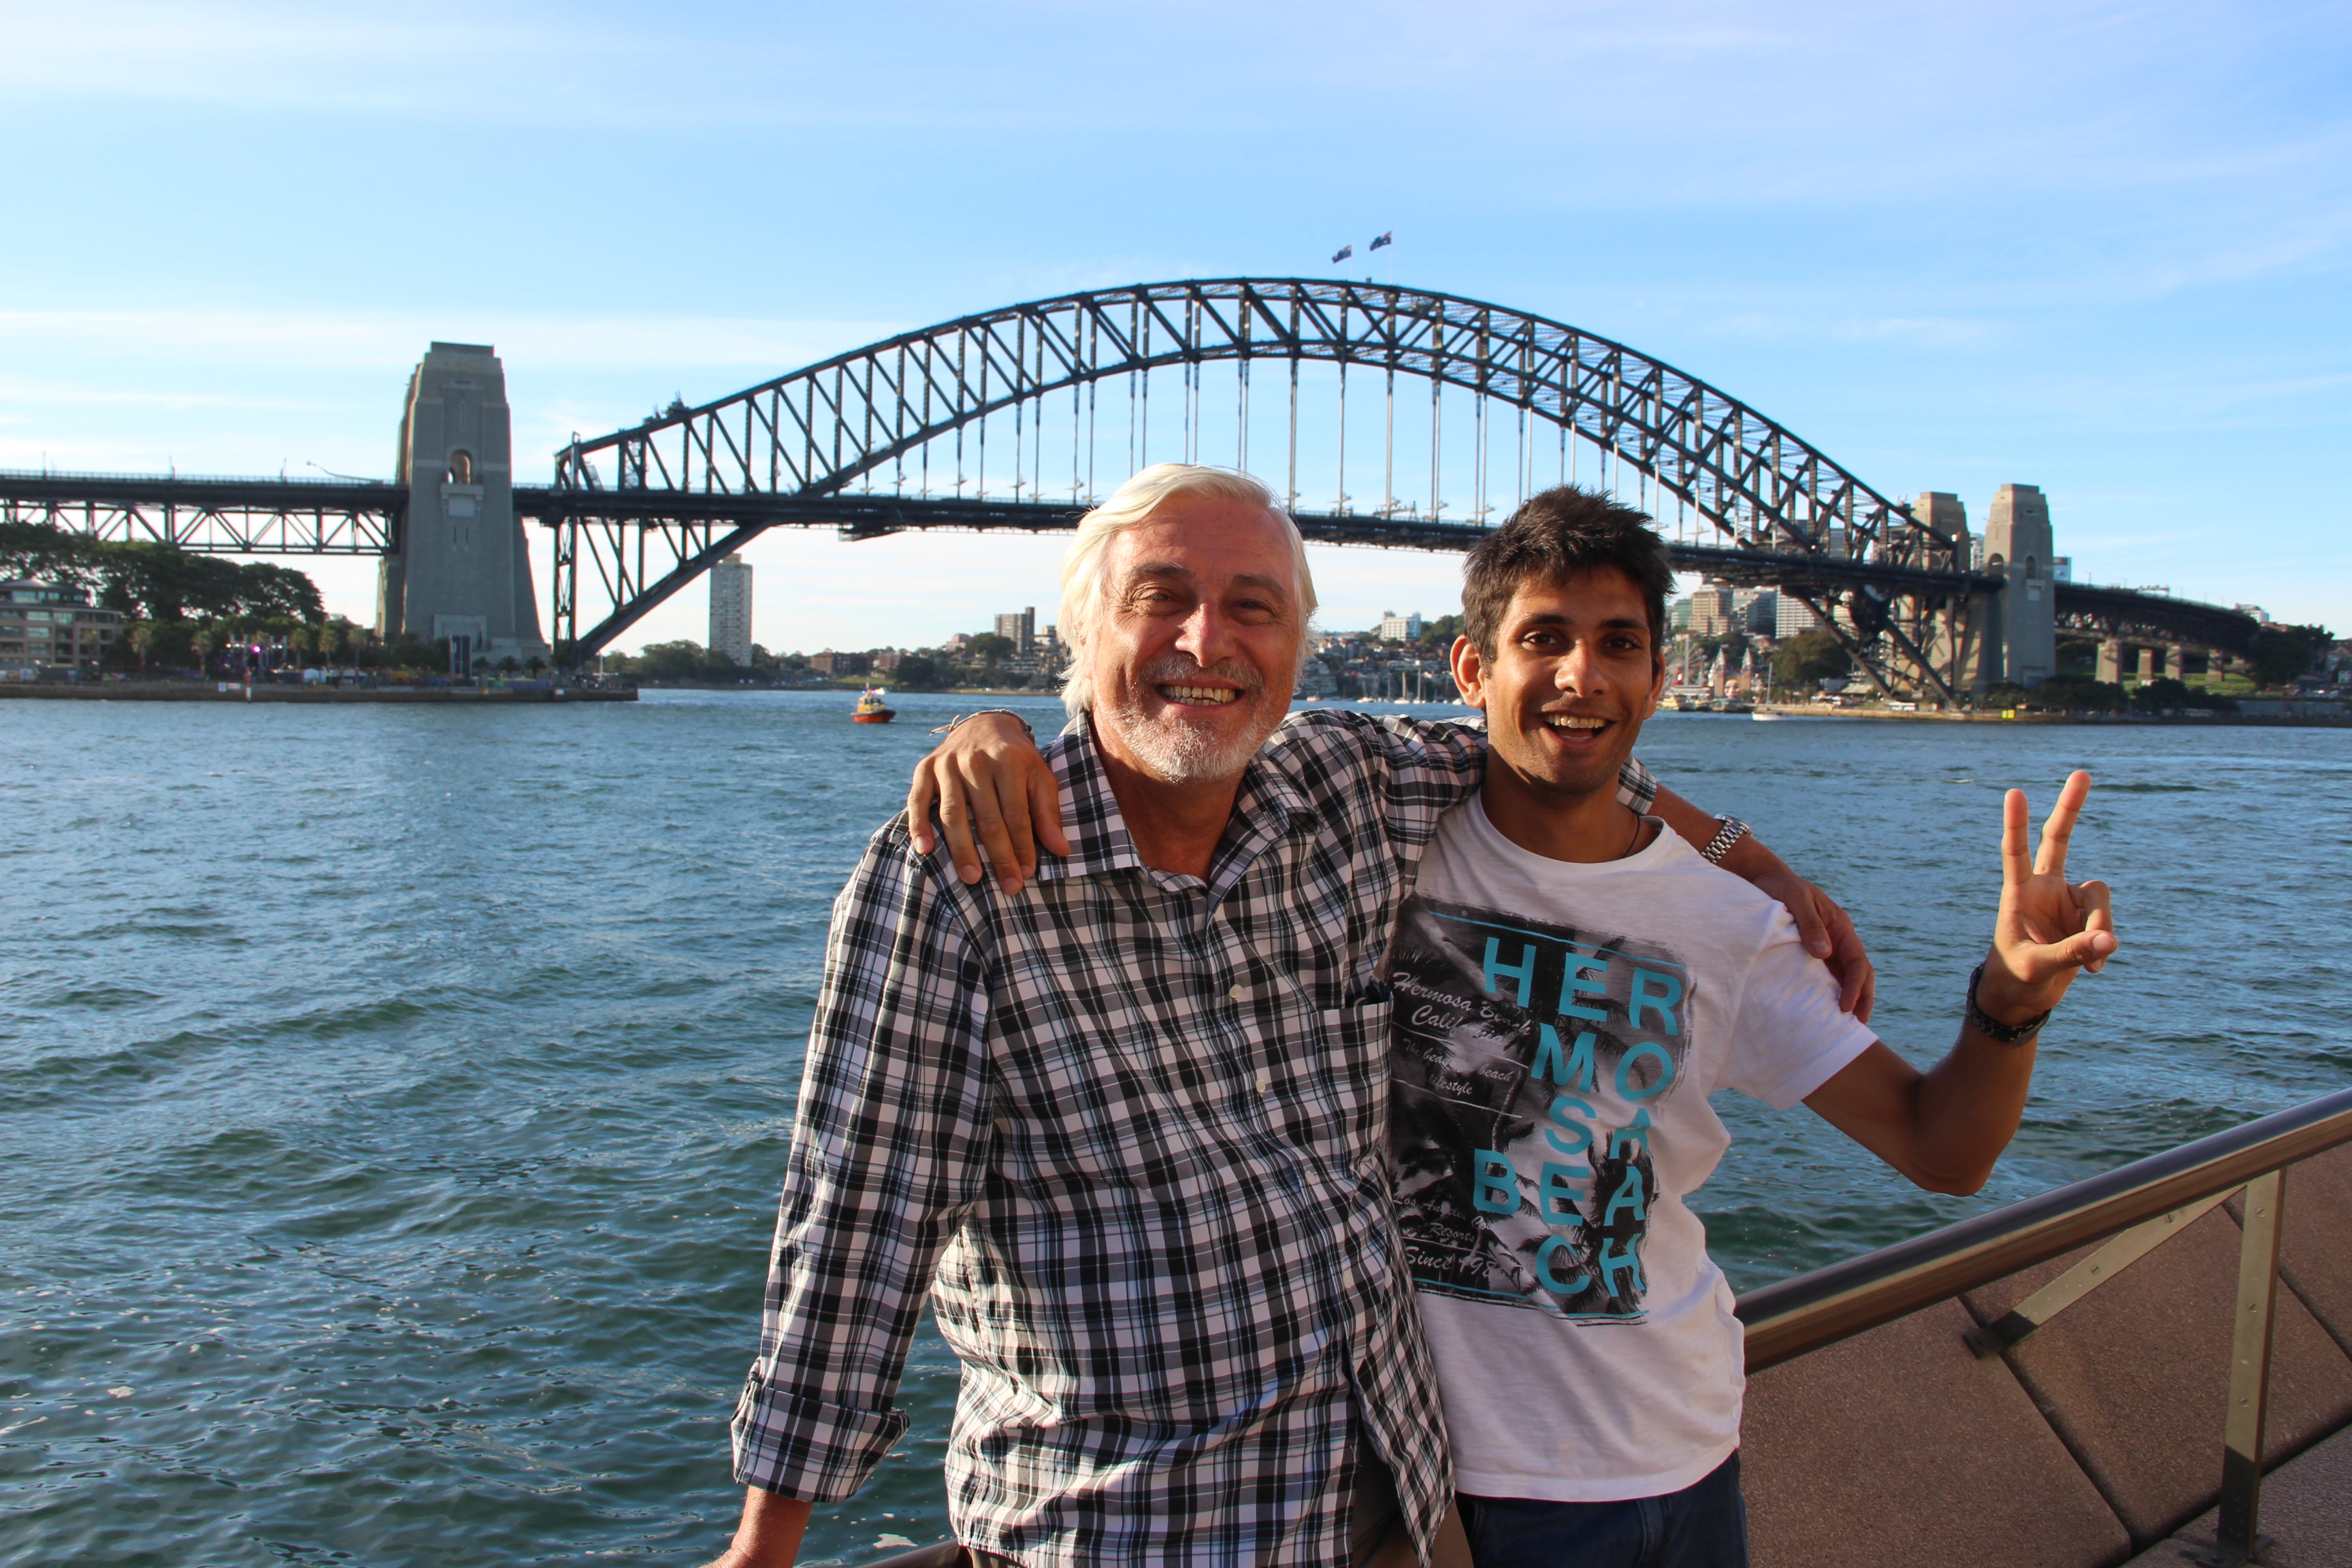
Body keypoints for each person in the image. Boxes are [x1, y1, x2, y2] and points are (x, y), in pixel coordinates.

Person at [710, 465, 1867, 1568]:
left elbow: (1554, 745)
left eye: (1253, 608)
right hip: (1126, 1529)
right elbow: (859, 1212)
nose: (1206, 640)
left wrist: (1750, 859)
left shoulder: (1347, 789)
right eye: (1160, 599)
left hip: (1387, 1503)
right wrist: (768, 1541)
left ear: (1298, 648)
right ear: (1084, 633)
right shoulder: (965, 872)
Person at [1375, 489, 2113, 1567]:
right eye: (1544, 639)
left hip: (1683, 1457)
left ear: (1659, 679)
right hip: (1457, 1484)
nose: (1583, 676)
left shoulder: (1730, 924)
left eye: (1620, 644)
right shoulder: (1377, 847)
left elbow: (1942, 1152)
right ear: (1470, 669)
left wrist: (2009, 1004)